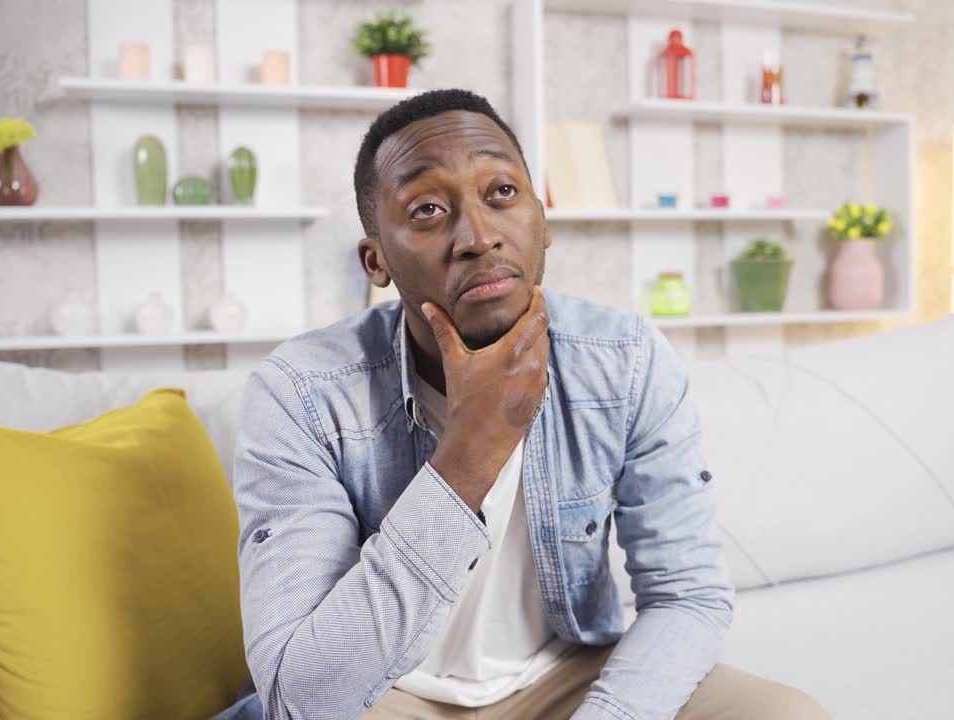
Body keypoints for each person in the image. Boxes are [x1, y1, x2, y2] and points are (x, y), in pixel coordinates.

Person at [214, 89, 828, 720]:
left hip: (566, 677)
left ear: (542, 220)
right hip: (391, 692)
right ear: (377, 261)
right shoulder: (301, 393)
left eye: (502, 193)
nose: (478, 237)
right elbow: (302, 698)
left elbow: (687, 597)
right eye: (426, 209)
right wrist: (467, 455)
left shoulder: (626, 360)